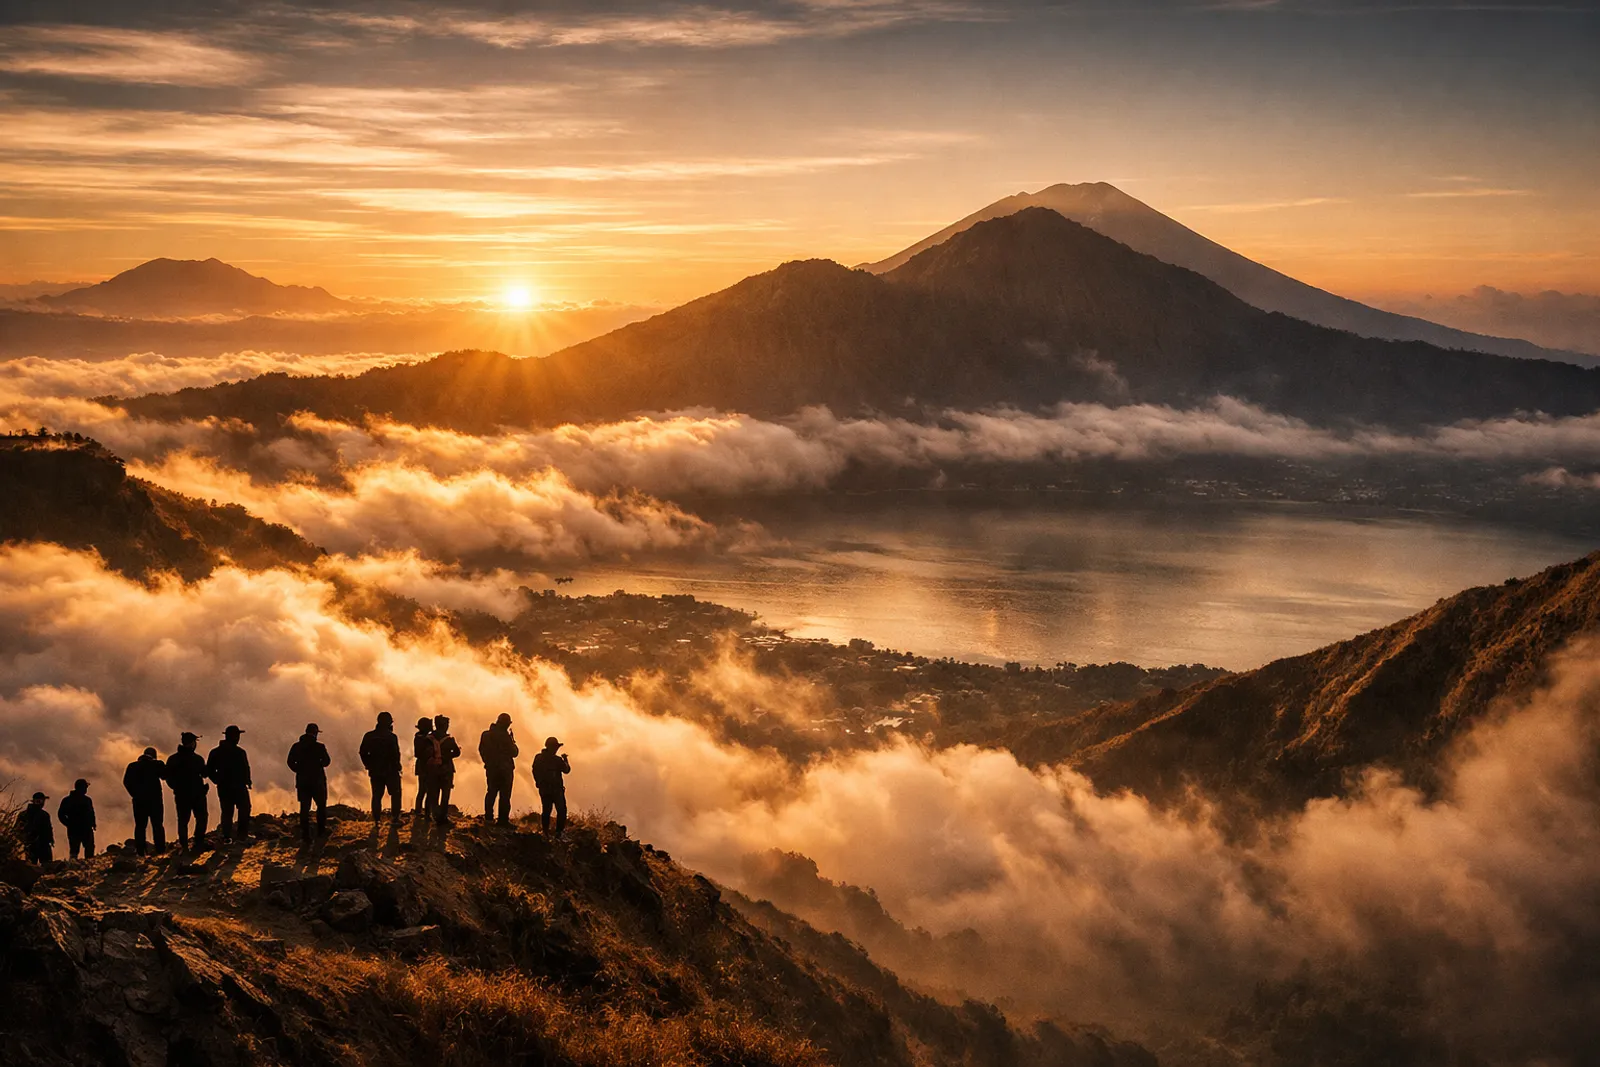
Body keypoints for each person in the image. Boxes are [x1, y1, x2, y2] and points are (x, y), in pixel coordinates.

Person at [206, 725, 252, 843]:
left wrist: (218, 781)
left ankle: (227, 837)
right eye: (237, 736)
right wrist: (247, 780)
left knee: (228, 811)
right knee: (243, 809)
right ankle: (241, 835)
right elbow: (245, 768)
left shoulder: (216, 752)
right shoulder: (239, 752)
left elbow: (209, 771)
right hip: (237, 786)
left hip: (226, 787)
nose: (238, 738)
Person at [286, 722, 331, 843]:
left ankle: (305, 835)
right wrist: (318, 765)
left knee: (304, 808)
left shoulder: (296, 746)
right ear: (315, 733)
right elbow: (327, 761)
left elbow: (290, 762)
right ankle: (321, 831)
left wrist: (299, 770)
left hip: (303, 781)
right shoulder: (319, 747)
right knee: (321, 806)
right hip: (318, 781)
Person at [165, 732, 210, 851]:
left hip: (181, 795)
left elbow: (168, 777)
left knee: (183, 820)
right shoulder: (197, 759)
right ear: (191, 744)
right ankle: (198, 842)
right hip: (197, 794)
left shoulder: (173, 759)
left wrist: (176, 788)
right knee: (201, 817)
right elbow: (205, 773)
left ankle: (184, 845)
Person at [359, 712, 403, 825]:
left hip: (375, 770)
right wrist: (398, 766)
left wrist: (368, 764)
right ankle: (395, 818)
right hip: (390, 770)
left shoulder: (369, 736)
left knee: (377, 795)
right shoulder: (392, 737)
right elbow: (395, 754)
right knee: (396, 794)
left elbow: (362, 752)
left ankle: (377, 820)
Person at [122, 746, 167, 856]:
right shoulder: (157, 765)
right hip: (155, 800)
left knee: (140, 826)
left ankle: (140, 851)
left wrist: (135, 794)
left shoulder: (132, 766)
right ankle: (160, 850)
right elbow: (165, 776)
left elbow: (126, 782)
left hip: (139, 801)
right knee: (157, 825)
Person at [478, 713, 519, 825]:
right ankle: (503, 820)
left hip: (492, 769)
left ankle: (489, 817)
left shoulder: (486, 735)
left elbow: (481, 750)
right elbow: (515, 753)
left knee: (491, 792)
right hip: (505, 770)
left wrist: (488, 762)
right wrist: (512, 741)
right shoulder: (505, 737)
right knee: (505, 796)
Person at [532, 736, 570, 836]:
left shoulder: (538, 758)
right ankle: (559, 832)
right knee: (561, 810)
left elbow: (534, 770)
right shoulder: (557, 760)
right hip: (556, 790)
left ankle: (545, 831)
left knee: (546, 810)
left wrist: (538, 782)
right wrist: (565, 759)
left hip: (544, 789)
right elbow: (566, 770)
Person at [429, 715, 462, 825]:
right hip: (446, 769)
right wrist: (447, 756)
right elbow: (457, 752)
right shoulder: (449, 740)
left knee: (434, 793)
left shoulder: (429, 739)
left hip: (432, 769)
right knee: (445, 794)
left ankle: (434, 815)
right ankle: (442, 817)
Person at [56, 779, 96, 859]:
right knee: (77, 849)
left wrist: (93, 823)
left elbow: (91, 813)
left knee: (85, 848)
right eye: (85, 787)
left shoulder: (86, 800)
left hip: (82, 829)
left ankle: (82, 865)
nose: (86, 789)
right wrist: (69, 824)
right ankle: (78, 866)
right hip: (78, 829)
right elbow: (61, 814)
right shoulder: (70, 800)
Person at [17, 791, 53, 864]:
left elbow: (17, 830)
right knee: (45, 867)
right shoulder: (44, 815)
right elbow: (48, 830)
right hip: (39, 845)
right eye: (40, 801)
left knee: (32, 867)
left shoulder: (23, 814)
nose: (42, 803)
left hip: (35, 845)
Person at [411, 716, 433, 817]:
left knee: (424, 790)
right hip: (424, 766)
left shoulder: (421, 737)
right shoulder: (421, 738)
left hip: (423, 766)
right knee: (424, 790)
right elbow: (418, 753)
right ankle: (423, 812)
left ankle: (421, 811)